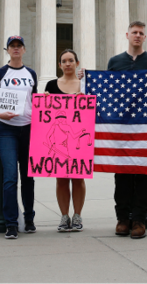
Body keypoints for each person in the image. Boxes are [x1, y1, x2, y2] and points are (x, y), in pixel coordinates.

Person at [106, 21, 147, 239]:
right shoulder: (115, 61)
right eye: (134, 33)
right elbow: (107, 91)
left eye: (141, 33)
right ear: (127, 35)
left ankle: (139, 219)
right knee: (121, 175)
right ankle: (122, 218)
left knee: (142, 175)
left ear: (145, 37)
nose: (137, 36)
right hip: (120, 127)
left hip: (144, 127)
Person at [0, 36, 38, 240]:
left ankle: (29, 218)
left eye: (19, 46)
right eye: (12, 47)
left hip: (28, 128)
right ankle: (11, 223)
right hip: (6, 129)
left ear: (24, 50)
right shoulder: (0, 73)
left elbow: (35, 101)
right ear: (7, 50)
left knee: (28, 177)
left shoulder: (31, 73)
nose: (16, 49)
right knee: (10, 177)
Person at [45, 49, 86, 233]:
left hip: (75, 141)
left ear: (77, 63)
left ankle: (77, 215)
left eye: (71, 60)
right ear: (59, 65)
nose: (68, 63)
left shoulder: (84, 85)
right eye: (64, 61)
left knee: (78, 178)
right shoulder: (51, 85)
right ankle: (64, 216)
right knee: (61, 179)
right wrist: (43, 101)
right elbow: (45, 118)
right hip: (58, 144)